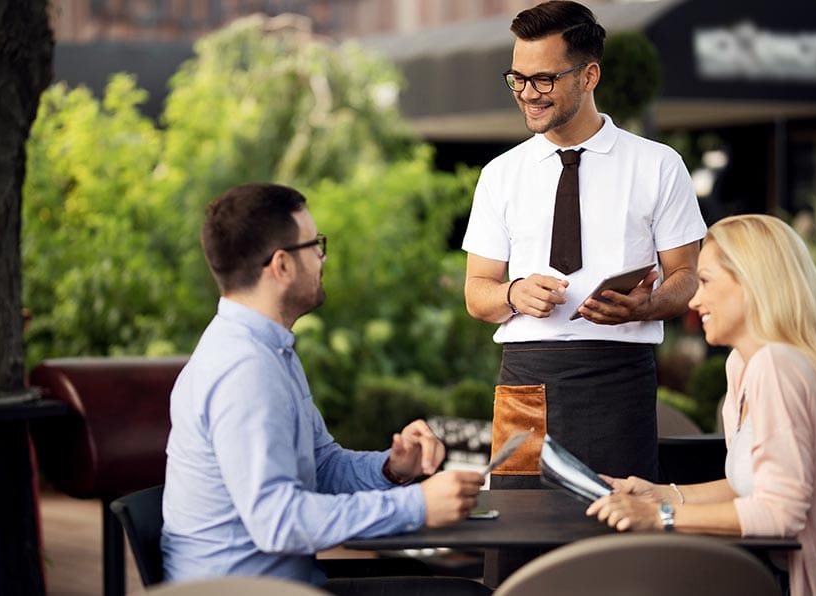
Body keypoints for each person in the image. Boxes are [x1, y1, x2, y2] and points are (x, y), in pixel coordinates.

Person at [161, 183, 489, 596]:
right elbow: (278, 522)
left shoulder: (268, 350)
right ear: (281, 265)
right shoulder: (244, 370)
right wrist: (417, 505)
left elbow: (321, 465)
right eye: (314, 246)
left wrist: (391, 469)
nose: (323, 257)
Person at [462, 0, 706, 489]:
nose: (528, 94)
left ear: (589, 75)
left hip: (618, 379)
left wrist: (648, 305)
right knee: (516, 526)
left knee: (617, 530)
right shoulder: (499, 175)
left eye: (544, 80)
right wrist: (512, 294)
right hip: (524, 379)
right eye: (518, 79)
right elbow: (477, 293)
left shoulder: (658, 166)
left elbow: (687, 278)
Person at [587, 214, 816, 596]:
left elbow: (780, 513)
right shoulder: (742, 365)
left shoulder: (776, 365)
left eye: (705, 281)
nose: (694, 300)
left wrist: (659, 518)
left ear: (752, 283)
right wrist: (662, 494)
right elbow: (754, 485)